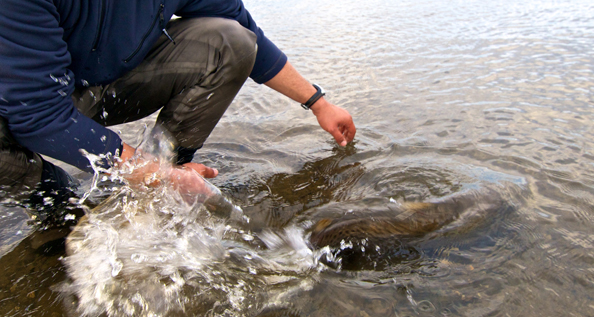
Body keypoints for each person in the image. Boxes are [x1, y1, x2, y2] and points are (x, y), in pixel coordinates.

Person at [0, 0, 356, 227]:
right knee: (38, 183)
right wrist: (151, 173)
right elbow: (38, 114)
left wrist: (318, 103)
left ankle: (168, 172)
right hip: (17, 102)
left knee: (231, 39)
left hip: (96, 85)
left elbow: (241, 25)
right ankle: (53, 204)